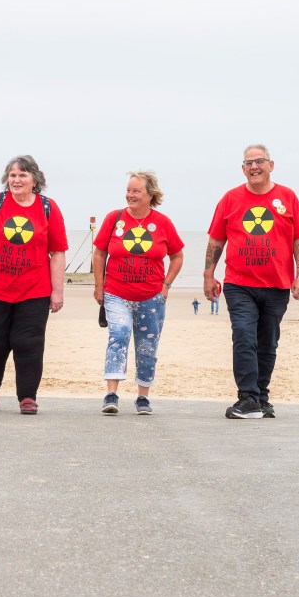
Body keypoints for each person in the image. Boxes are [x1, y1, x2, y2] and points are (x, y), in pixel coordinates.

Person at [203, 144, 299, 419]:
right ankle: (247, 397)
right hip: (239, 285)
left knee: (268, 342)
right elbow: (216, 240)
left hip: (276, 285)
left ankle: (261, 397)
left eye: (259, 161)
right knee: (243, 336)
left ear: (271, 165)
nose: (254, 167)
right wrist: (208, 275)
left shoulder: (288, 197)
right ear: (243, 168)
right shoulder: (230, 199)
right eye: (248, 163)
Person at [0, 155, 68, 415]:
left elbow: (58, 252)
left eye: (22, 175)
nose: (16, 180)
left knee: (28, 342)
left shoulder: (48, 208)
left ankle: (27, 397)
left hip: (34, 289)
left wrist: (57, 291)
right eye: (12, 175)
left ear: (34, 180)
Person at [93, 171, 183, 416]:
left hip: (151, 297)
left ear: (150, 195)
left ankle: (143, 398)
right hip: (116, 292)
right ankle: (111, 393)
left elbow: (177, 256)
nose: (130, 195)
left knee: (147, 346)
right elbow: (100, 252)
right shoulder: (115, 218)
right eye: (128, 190)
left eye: (136, 191)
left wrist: (166, 285)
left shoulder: (163, 223)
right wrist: (99, 285)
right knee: (119, 334)